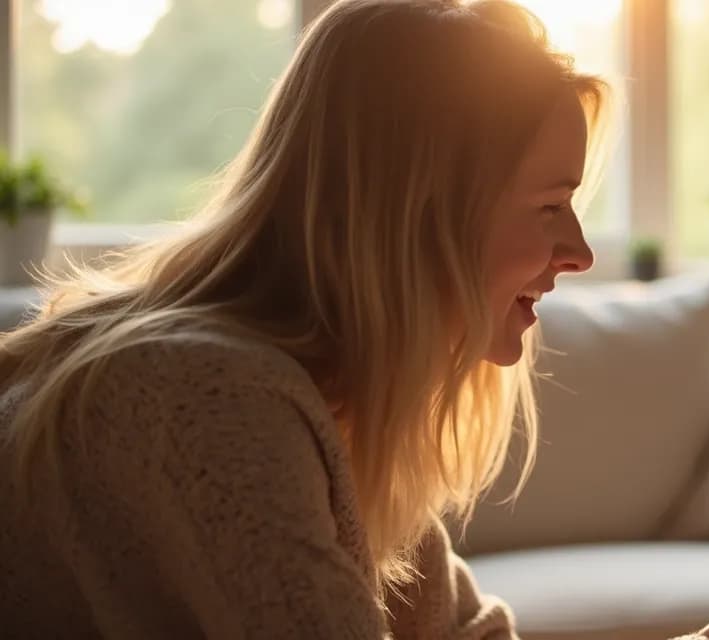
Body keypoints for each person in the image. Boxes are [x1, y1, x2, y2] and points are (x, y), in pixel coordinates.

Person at [0, 0, 606, 636]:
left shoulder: (336, 402)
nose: (581, 253)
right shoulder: (213, 397)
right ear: (413, 212)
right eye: (549, 205)